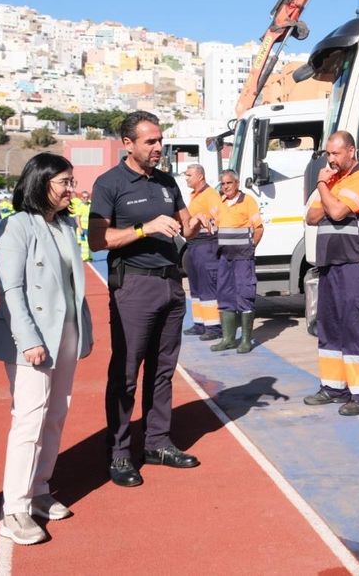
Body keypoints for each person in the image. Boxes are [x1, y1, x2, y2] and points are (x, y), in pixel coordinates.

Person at [0, 153, 93, 545]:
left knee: (57, 412)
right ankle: (14, 508)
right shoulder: (17, 227)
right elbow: (11, 290)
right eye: (64, 181)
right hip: (31, 338)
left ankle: (40, 490)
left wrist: (83, 331)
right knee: (29, 417)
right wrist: (28, 339)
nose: (71, 189)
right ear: (40, 182)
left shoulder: (64, 225)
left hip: (65, 332)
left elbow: (73, 285)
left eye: (71, 180)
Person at [89, 110, 200, 488]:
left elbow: (186, 224)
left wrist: (200, 223)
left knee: (163, 370)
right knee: (125, 373)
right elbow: (97, 240)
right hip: (133, 287)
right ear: (128, 144)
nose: (158, 147)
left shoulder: (168, 182)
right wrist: (145, 228)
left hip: (171, 284)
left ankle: (157, 443)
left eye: (159, 140)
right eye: (150, 141)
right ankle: (119, 452)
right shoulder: (109, 183)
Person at [303, 131, 359, 416]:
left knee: (356, 326)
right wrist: (328, 194)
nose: (330, 159)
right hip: (331, 264)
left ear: (351, 151)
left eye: (335, 153)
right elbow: (311, 217)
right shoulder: (333, 181)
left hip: (356, 265)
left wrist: (323, 187)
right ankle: (333, 387)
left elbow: (335, 212)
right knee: (331, 326)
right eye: (327, 154)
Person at [205, 169, 264, 353]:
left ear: (237, 183)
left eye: (229, 183)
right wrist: (207, 222)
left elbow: (259, 228)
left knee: (244, 293)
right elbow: (209, 218)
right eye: (222, 184)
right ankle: (228, 339)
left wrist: (250, 248)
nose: (225, 187)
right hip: (224, 257)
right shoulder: (220, 202)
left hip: (242, 257)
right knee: (224, 294)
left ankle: (246, 340)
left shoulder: (248, 201)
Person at [182, 164, 222, 340]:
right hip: (193, 245)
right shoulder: (194, 195)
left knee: (207, 286)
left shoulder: (210, 195)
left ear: (200, 176)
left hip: (206, 244)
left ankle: (213, 327)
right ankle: (199, 323)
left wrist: (205, 223)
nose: (186, 178)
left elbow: (218, 218)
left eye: (189, 175)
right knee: (196, 286)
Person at [70, 190, 92, 261]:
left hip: (90, 228)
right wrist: (80, 228)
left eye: (87, 197)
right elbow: (77, 218)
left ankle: (90, 257)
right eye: (84, 197)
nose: (86, 198)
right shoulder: (80, 206)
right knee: (84, 244)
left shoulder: (90, 204)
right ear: (81, 198)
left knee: (90, 243)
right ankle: (84, 257)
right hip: (83, 229)